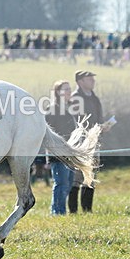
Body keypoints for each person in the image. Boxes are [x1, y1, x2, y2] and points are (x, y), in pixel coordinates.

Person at [68, 70, 112, 212]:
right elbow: (75, 122)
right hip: (80, 143)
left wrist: (103, 127)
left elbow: (98, 119)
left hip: (94, 142)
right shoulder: (75, 99)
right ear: (80, 82)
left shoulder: (95, 99)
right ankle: (73, 211)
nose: (93, 81)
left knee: (91, 175)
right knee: (77, 176)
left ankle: (87, 210)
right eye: (89, 79)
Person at [45, 80, 77, 214]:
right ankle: (57, 212)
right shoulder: (52, 110)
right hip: (58, 154)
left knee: (68, 183)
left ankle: (59, 210)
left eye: (70, 89)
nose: (69, 91)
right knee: (61, 184)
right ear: (58, 92)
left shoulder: (70, 108)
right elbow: (47, 133)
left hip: (70, 152)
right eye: (66, 89)